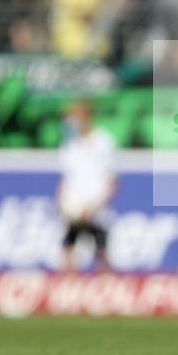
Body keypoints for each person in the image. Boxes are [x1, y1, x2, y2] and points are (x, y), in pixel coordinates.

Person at [57, 101, 118, 272]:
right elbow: (67, 176)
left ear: (86, 117)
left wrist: (99, 200)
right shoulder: (69, 144)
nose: (71, 123)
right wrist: (62, 197)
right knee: (70, 236)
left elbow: (111, 175)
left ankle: (106, 277)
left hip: (95, 198)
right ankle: (68, 279)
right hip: (74, 198)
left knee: (99, 239)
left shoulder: (103, 141)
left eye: (74, 117)